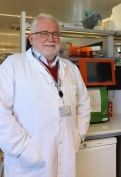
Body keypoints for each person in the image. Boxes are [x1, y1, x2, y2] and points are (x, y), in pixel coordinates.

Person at [0, 13, 91, 177]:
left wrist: (77, 136)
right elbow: (1, 113)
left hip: (66, 155)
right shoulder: (12, 65)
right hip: (26, 163)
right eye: (44, 33)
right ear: (31, 38)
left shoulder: (70, 68)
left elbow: (84, 103)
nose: (51, 38)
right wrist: (23, 148)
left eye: (55, 34)